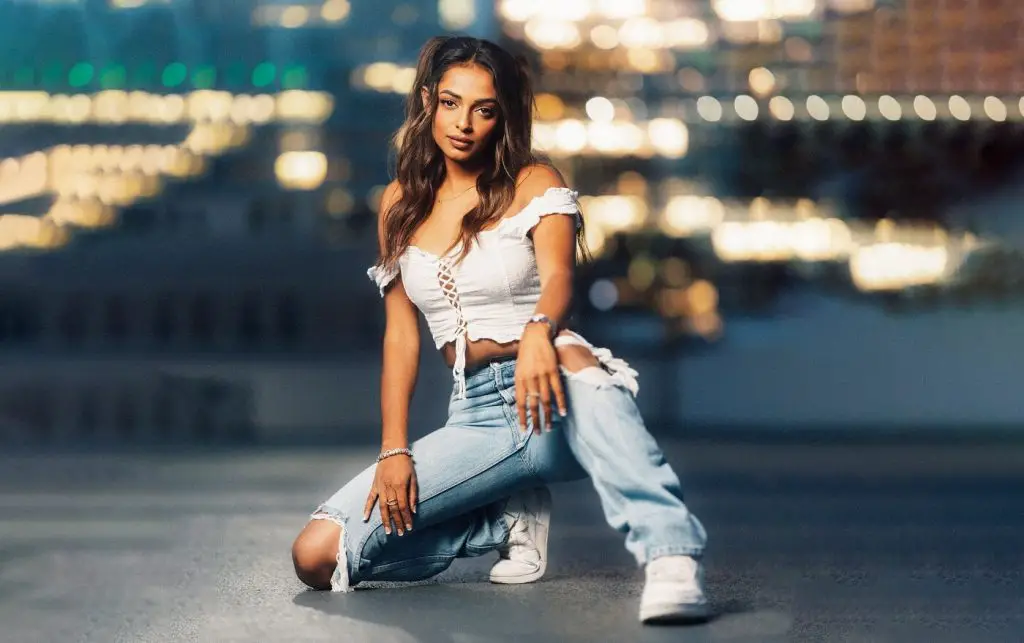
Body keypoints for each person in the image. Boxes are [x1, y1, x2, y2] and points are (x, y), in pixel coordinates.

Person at [290, 36, 710, 624]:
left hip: (546, 384)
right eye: (450, 103)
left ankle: (672, 557)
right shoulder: (399, 205)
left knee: (578, 364)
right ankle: (500, 521)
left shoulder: (536, 182)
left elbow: (561, 278)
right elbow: (402, 337)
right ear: (428, 105)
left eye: (483, 109)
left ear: (503, 116)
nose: (464, 123)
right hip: (474, 414)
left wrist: (541, 329)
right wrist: (394, 448)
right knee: (316, 554)